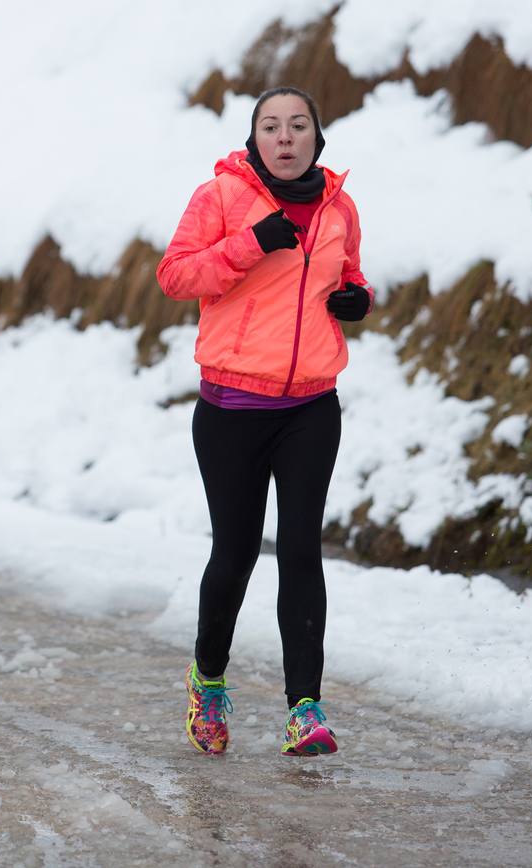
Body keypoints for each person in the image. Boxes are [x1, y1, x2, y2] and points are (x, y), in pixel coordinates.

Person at [156, 86, 373, 757]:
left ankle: (304, 707)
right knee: (238, 552)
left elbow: (351, 274)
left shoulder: (339, 206)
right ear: (254, 139)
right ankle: (208, 681)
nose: (285, 137)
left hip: (311, 404)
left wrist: (356, 298)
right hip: (231, 410)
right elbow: (176, 276)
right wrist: (249, 244)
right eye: (271, 126)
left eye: (298, 125)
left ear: (316, 137)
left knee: (303, 549)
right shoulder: (220, 198)